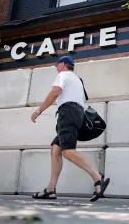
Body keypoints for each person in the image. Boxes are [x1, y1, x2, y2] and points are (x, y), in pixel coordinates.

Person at [30, 55, 110, 202]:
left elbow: (55, 93)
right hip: (76, 113)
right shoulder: (76, 79)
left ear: (63, 65)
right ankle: (50, 189)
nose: (56, 68)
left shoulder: (63, 75)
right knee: (56, 148)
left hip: (68, 112)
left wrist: (38, 111)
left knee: (67, 151)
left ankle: (98, 178)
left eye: (57, 65)